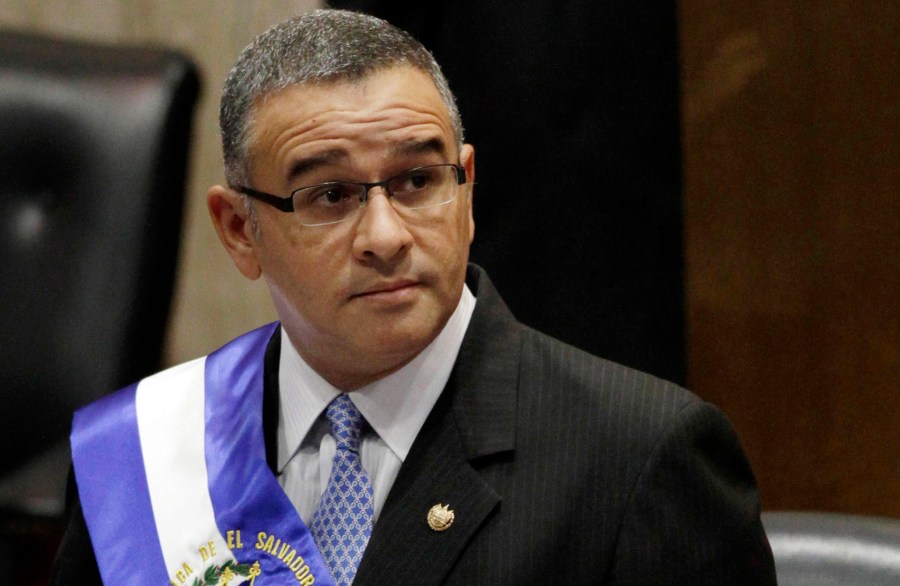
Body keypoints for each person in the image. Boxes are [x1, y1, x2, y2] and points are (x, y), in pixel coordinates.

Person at [52, 9, 775, 585]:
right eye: (329, 194)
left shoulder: (641, 459)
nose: (385, 235)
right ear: (240, 229)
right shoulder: (144, 457)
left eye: (417, 182)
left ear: (465, 189)